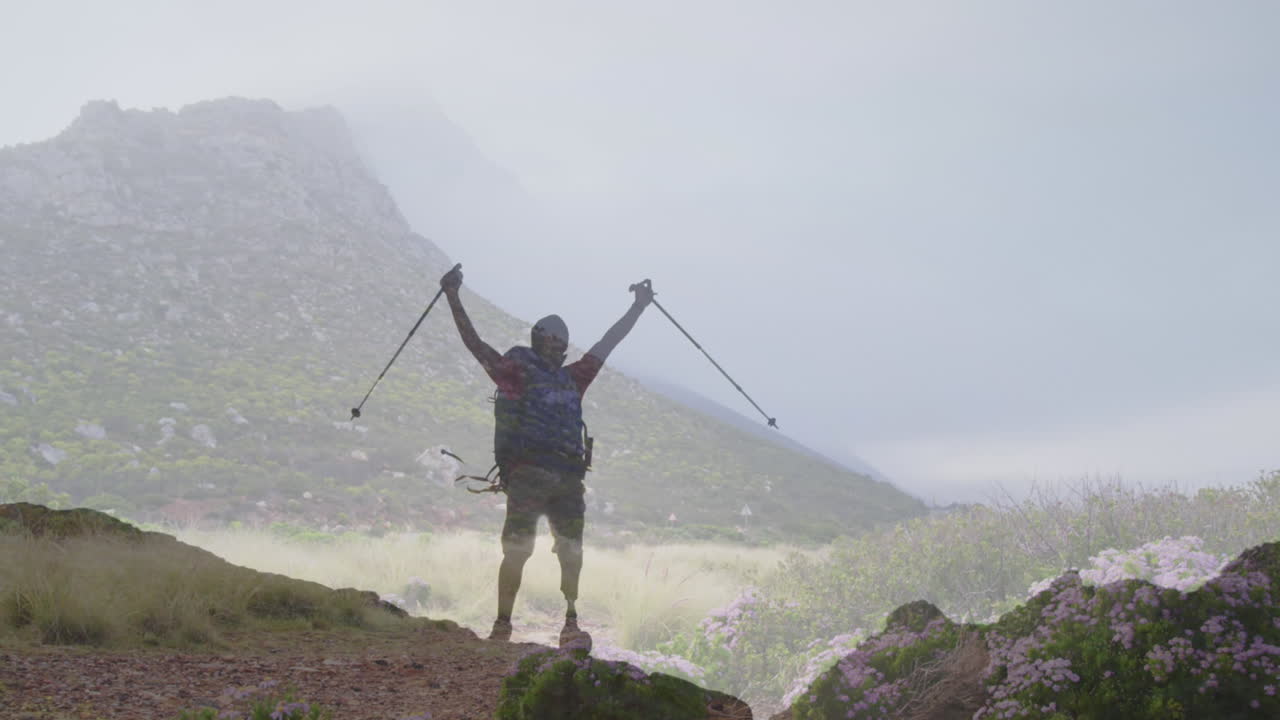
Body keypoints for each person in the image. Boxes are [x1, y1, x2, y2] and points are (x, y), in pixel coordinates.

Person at [439, 266, 653, 647]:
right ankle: (502, 626)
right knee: (518, 549)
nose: (560, 343)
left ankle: (570, 620)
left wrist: (638, 308)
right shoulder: (516, 370)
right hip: (529, 473)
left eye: (564, 340)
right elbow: (476, 346)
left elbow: (607, 343)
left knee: (571, 550)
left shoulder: (575, 376)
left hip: (569, 478)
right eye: (552, 338)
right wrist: (453, 296)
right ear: (538, 340)